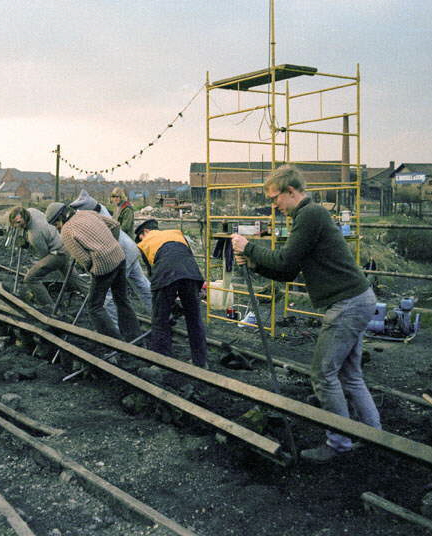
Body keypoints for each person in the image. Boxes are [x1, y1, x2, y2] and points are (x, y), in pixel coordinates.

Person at [230, 164, 380, 463]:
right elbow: (288, 272)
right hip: (357, 299)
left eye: (275, 199)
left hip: (347, 304)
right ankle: (375, 436)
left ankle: (339, 442)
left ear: (291, 191)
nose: (274, 206)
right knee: (349, 374)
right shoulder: (309, 217)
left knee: (324, 375)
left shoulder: (310, 215)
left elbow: (284, 261)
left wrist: (249, 248)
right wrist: (256, 264)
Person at [46, 202, 140, 342]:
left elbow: (85, 259)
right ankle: (134, 337)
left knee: (94, 307)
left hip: (103, 266)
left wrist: (91, 268)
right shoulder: (87, 213)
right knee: (122, 300)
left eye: (56, 224)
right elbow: (115, 225)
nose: (57, 227)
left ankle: (114, 343)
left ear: (61, 217)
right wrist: (109, 244)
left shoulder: (66, 231)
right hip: (119, 257)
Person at [135, 219, 208, 368]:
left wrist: (167, 304)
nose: (140, 240)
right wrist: (176, 303)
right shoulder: (176, 234)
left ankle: (160, 364)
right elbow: (184, 258)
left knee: (159, 320)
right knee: (194, 319)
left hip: (165, 274)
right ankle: (200, 362)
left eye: (140, 236)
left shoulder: (145, 242)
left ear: (146, 232)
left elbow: (153, 274)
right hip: (192, 274)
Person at [69, 190, 152, 319]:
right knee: (142, 285)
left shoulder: (97, 218)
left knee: (109, 294)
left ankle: (115, 326)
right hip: (130, 249)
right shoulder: (100, 209)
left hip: (120, 255)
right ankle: (160, 314)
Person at [8, 206, 85, 307]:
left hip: (57, 253)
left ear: (24, 217)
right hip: (64, 244)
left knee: (31, 278)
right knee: (73, 278)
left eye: (18, 222)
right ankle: (97, 300)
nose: (16, 226)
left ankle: (48, 306)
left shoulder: (34, 235)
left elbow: (43, 255)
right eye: (14, 223)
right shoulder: (32, 210)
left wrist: (27, 246)